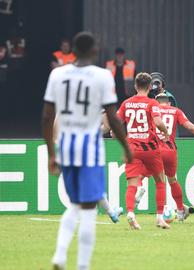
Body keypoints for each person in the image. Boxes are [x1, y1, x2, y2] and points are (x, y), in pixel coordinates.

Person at [42, 31, 132, 270]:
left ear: (73, 49)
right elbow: (113, 118)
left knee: (75, 205)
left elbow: (47, 116)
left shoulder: (57, 74)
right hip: (89, 147)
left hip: (67, 146)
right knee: (89, 210)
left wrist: (52, 152)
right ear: (94, 50)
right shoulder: (102, 76)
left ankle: (60, 255)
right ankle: (82, 266)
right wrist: (126, 147)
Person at [134, 93, 194, 221]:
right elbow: (190, 127)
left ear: (156, 103)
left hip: (155, 151)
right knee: (172, 180)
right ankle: (180, 210)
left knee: (139, 176)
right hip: (170, 151)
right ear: (169, 103)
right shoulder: (176, 111)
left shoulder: (152, 111)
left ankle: (141, 189)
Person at [116, 72, 171, 230]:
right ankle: (160, 218)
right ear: (149, 87)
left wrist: (114, 132)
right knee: (160, 181)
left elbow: (117, 122)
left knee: (132, 184)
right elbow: (158, 121)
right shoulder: (152, 103)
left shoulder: (126, 103)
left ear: (135, 86)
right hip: (151, 149)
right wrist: (166, 132)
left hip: (132, 148)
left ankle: (131, 213)